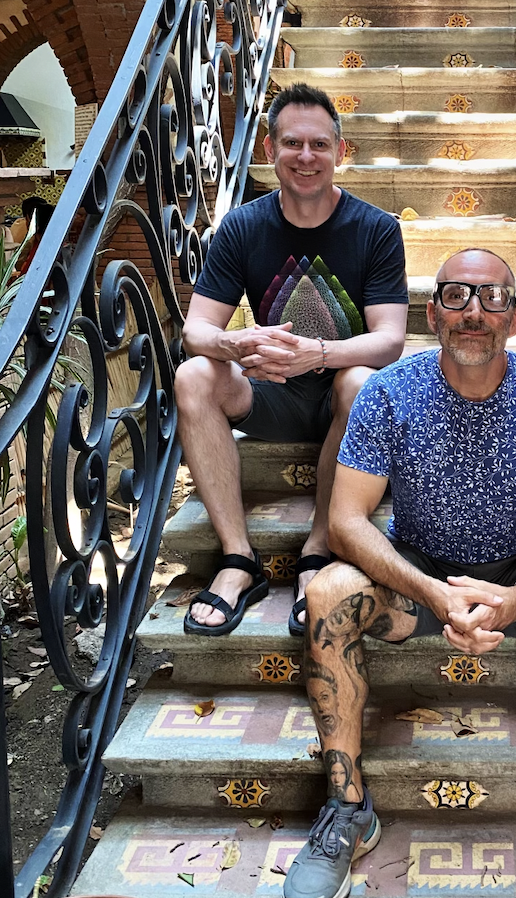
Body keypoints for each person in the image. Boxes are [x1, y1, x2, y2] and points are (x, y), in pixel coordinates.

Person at [282, 248, 516, 898]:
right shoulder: (389, 392)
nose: (473, 312)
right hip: (416, 574)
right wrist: (432, 592)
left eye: (491, 298)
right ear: (433, 314)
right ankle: (346, 808)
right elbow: (345, 521)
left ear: (515, 317)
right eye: (455, 296)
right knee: (328, 592)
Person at [174, 82, 409, 637]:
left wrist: (318, 354)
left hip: (344, 405)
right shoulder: (242, 226)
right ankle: (238, 559)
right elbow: (195, 329)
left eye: (320, 145)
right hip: (270, 393)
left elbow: (390, 340)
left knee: (360, 382)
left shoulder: (376, 229)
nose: (306, 157)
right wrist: (233, 345)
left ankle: (317, 551)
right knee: (193, 375)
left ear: (340, 152)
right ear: (269, 149)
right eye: (293, 143)